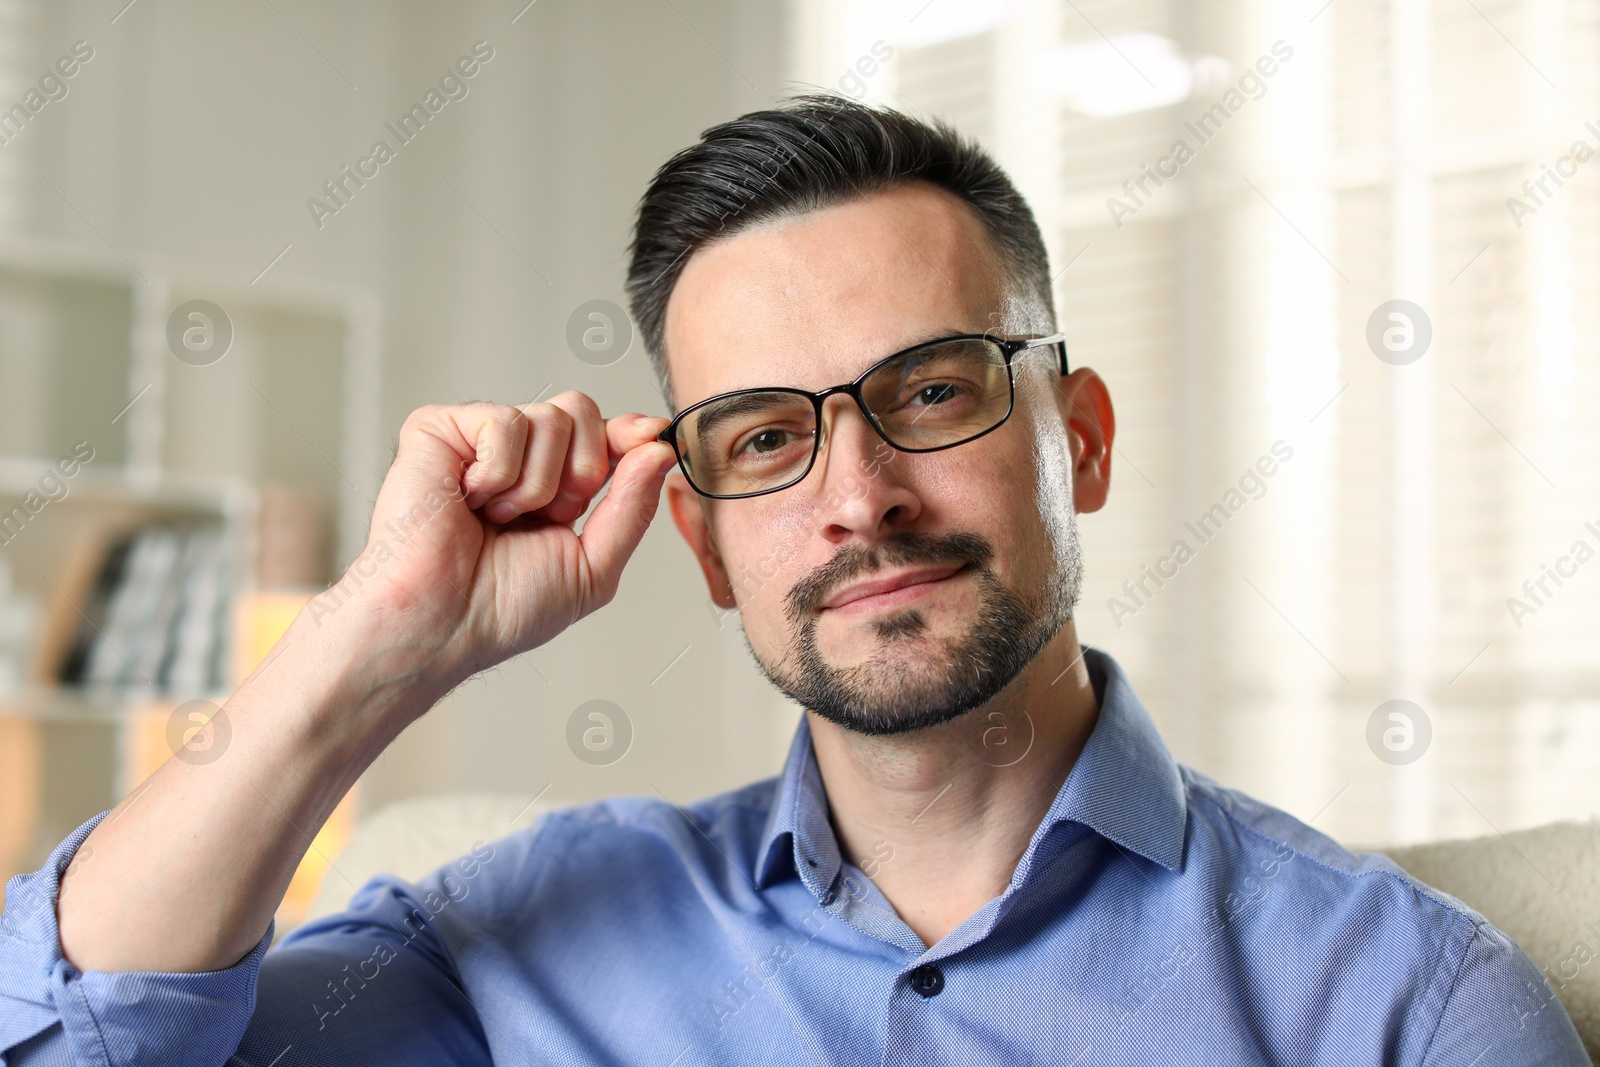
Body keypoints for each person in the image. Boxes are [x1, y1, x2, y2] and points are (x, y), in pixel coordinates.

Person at [0, 93, 1586, 1067]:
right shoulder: (506, 950)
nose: (858, 500)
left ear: (1079, 442)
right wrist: (369, 655)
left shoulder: (1406, 1007)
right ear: (697, 537)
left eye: (935, 391)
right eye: (762, 438)